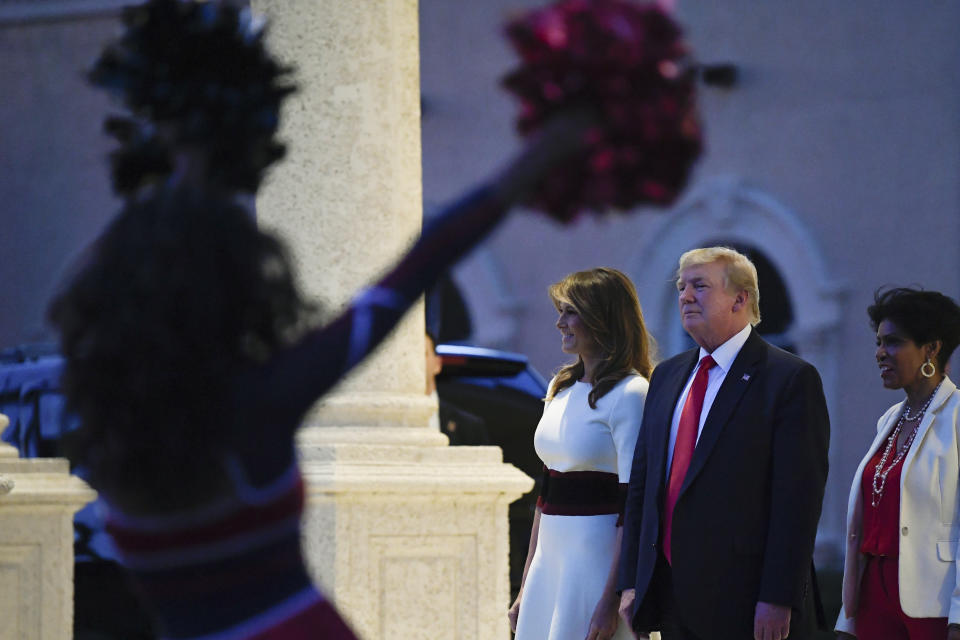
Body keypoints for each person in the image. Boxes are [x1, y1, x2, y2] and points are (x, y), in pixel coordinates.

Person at [46, 2, 596, 638]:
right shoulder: (259, 406)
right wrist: (533, 162)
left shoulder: (106, 442)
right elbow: (407, 276)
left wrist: (175, 166)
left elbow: (96, 284)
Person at [617, 246, 830, 640]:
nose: (684, 296)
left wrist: (778, 597)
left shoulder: (788, 379)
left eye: (699, 285)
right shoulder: (666, 376)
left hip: (745, 600)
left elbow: (797, 501)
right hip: (668, 595)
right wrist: (632, 581)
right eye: (681, 287)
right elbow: (643, 489)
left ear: (740, 298)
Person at [509, 267, 654, 640]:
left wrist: (612, 598)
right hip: (549, 567)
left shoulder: (632, 394)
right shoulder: (560, 388)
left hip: (597, 569)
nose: (560, 322)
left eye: (570, 311)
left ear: (603, 319)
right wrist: (527, 584)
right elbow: (546, 496)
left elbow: (633, 506)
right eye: (561, 311)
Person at [835, 288, 960, 640]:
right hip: (874, 597)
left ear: (931, 349)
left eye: (893, 342)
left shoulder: (957, 418)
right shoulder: (889, 419)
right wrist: (847, 616)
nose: (879, 354)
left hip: (933, 605)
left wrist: (959, 618)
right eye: (878, 342)